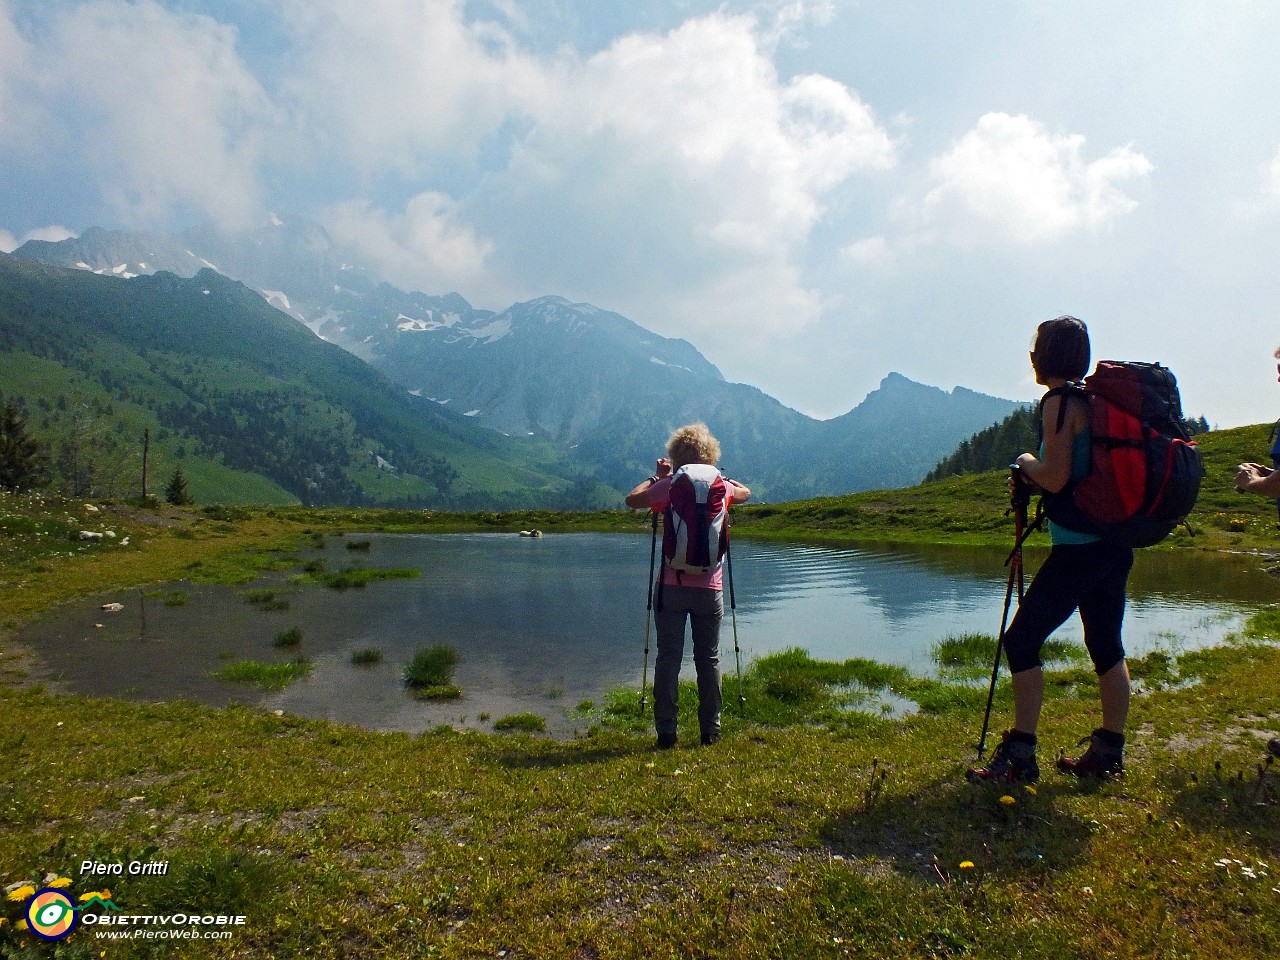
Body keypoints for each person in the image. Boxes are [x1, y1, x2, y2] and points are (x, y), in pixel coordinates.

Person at [967, 316, 1134, 783]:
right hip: (1113, 544)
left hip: (1080, 549)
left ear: (1047, 356)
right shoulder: (1091, 402)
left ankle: (1020, 755)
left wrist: (1024, 462)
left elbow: (1056, 476)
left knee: (1020, 642)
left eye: (1036, 347)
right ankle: (1108, 753)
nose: (1031, 355)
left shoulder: (1059, 402)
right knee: (1106, 644)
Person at [625, 423, 750, 749]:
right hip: (711, 590)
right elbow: (746, 492)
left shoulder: (669, 485)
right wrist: (726, 479)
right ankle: (711, 731)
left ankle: (667, 733)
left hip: (671, 585)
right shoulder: (721, 486)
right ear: (710, 453)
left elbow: (632, 500)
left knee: (668, 658)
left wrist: (656, 477)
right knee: (708, 659)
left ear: (676, 454)